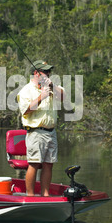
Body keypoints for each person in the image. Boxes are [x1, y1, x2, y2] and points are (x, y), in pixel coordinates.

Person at [17, 60, 65, 196]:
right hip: (35, 132)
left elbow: (63, 97)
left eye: (49, 72)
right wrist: (41, 97)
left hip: (51, 132)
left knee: (49, 164)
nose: (48, 74)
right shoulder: (26, 90)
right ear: (36, 73)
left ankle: (45, 194)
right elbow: (25, 110)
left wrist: (52, 87)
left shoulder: (51, 87)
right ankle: (30, 195)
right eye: (45, 72)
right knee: (34, 164)